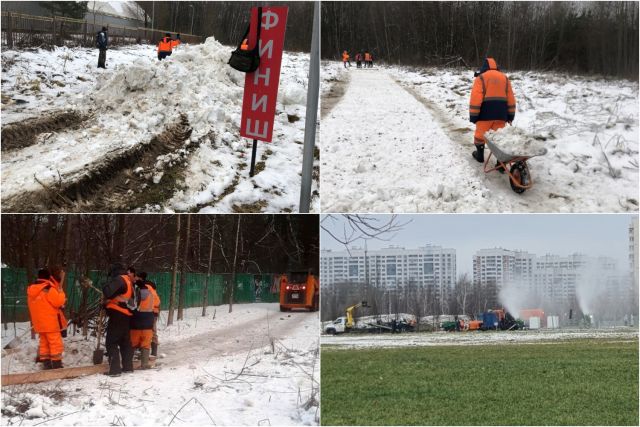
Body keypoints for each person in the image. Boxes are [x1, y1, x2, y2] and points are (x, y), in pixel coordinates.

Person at [469, 57, 516, 167]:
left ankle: (480, 155)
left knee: (480, 135)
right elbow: (511, 99)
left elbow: (476, 99)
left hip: (484, 115)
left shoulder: (480, 78)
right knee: (499, 138)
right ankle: (501, 163)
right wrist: (510, 115)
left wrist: (474, 116)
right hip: (501, 114)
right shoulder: (505, 78)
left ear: (484, 67)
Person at [27, 267, 67, 370]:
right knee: (55, 343)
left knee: (44, 343)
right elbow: (58, 302)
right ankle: (57, 364)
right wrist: (61, 292)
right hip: (50, 322)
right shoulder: (49, 288)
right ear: (48, 277)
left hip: (39, 323)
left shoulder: (32, 290)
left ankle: (46, 364)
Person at [102, 264, 136, 376]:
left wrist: (105, 285)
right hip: (126, 315)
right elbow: (120, 298)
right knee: (125, 343)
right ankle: (128, 367)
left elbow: (108, 291)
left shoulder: (119, 279)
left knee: (111, 342)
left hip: (117, 315)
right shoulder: (129, 281)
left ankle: (115, 370)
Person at [130, 274, 157, 369]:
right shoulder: (150, 294)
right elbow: (156, 304)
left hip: (136, 323)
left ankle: (128, 364)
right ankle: (144, 364)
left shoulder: (133, 294)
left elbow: (130, 306)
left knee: (132, 344)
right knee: (145, 345)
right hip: (148, 323)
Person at [138, 272, 161, 357]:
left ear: (140, 278)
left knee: (146, 331)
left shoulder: (145, 287)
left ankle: (144, 351)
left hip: (148, 312)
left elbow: (141, 300)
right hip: (154, 310)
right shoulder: (151, 287)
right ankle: (153, 352)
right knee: (153, 330)